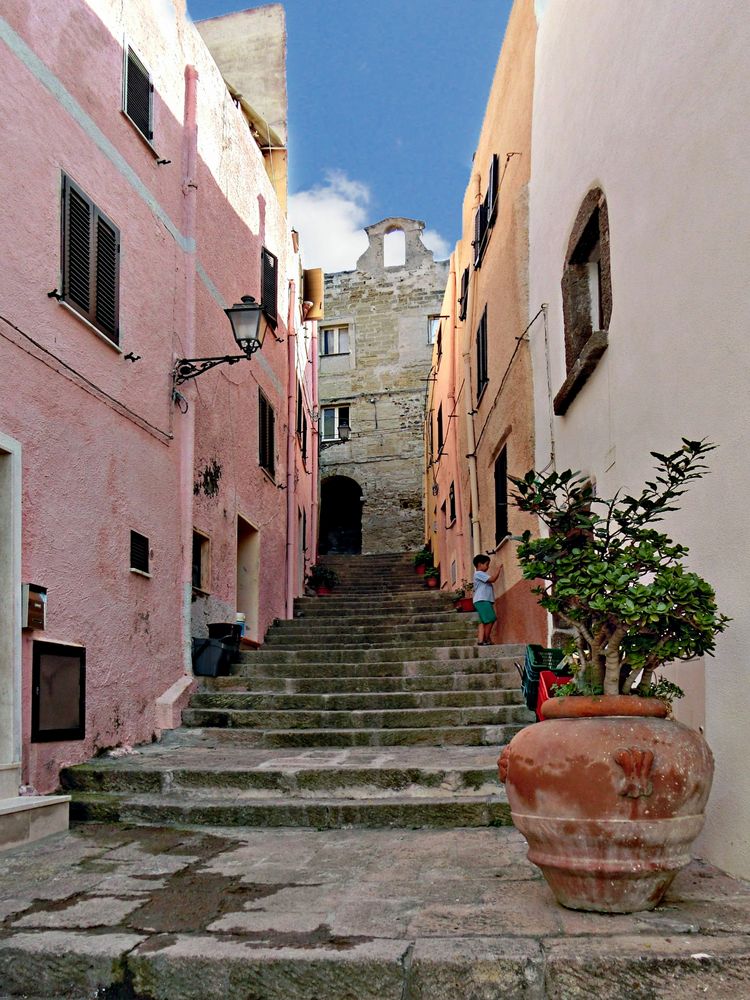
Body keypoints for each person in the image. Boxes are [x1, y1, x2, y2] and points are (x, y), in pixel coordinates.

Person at [472, 553, 500, 646]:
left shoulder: (479, 574)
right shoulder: (479, 573)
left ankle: (481, 640)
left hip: (481, 600)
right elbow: (492, 579)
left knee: (483, 621)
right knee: (491, 618)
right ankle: (486, 639)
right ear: (480, 564)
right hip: (482, 600)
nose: (488, 567)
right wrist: (498, 569)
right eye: (487, 564)